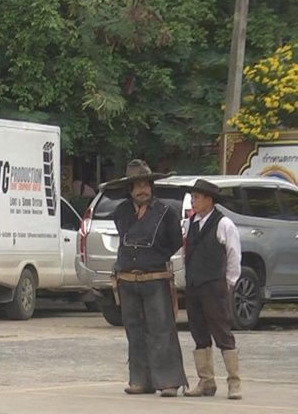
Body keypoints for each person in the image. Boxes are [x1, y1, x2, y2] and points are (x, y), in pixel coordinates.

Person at [100, 160, 187, 397]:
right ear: (130, 190)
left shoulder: (166, 212)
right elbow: (126, 236)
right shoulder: (122, 212)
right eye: (137, 186)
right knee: (134, 331)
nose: (142, 190)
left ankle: (169, 382)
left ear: (151, 187)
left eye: (145, 185)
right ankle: (140, 380)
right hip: (127, 280)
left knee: (161, 330)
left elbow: (175, 241)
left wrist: (154, 257)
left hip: (155, 278)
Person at [182, 179, 242, 399]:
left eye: (197, 197)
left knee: (221, 331)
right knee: (198, 331)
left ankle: (234, 382)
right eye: (192, 197)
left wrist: (230, 281)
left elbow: (233, 254)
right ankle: (206, 381)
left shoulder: (224, 224)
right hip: (194, 284)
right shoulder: (189, 223)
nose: (193, 201)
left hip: (214, 284)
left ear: (209, 200)